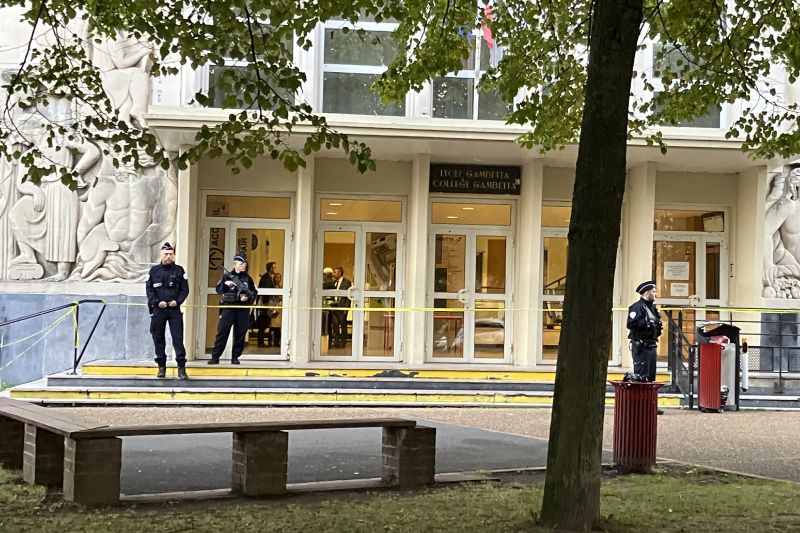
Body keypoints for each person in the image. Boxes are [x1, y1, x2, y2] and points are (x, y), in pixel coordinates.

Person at [145, 242, 189, 379]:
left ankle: (181, 368)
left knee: (178, 338)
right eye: (166, 254)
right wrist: (157, 302)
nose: (168, 256)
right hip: (159, 310)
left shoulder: (179, 270)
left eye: (170, 254)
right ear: (161, 255)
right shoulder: (154, 271)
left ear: (174, 255)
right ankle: (161, 367)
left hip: (174, 310)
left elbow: (185, 290)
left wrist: (178, 301)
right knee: (158, 338)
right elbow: (149, 290)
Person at [209, 252, 257, 365]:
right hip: (228, 308)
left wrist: (247, 299)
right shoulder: (227, 276)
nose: (243, 265)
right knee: (222, 332)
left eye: (244, 263)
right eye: (241, 263)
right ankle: (215, 356)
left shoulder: (248, 279)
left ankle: (235, 357)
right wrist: (226, 284)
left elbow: (254, 293)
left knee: (240, 334)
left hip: (242, 309)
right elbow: (218, 290)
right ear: (235, 264)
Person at [626, 280, 664, 414]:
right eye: (653, 292)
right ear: (647, 293)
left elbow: (657, 326)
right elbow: (631, 324)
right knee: (641, 376)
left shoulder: (652, 308)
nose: (655, 293)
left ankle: (650, 405)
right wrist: (645, 322)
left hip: (651, 346)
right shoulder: (637, 307)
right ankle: (640, 406)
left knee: (650, 377)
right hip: (641, 346)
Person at [255, 261, 276, 347]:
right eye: (274, 267)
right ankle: (260, 342)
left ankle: (261, 342)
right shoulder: (266, 278)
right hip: (264, 305)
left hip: (266, 304)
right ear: (270, 268)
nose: (275, 269)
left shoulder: (269, 277)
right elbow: (265, 292)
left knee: (265, 324)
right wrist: (267, 305)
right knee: (263, 324)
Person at [330, 266, 352, 348]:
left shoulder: (347, 282)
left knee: (343, 325)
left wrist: (346, 309)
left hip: (342, 307)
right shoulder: (334, 282)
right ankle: (336, 341)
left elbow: (348, 297)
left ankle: (343, 341)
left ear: (340, 273)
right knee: (335, 325)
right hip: (334, 306)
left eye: (335, 272)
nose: (333, 274)